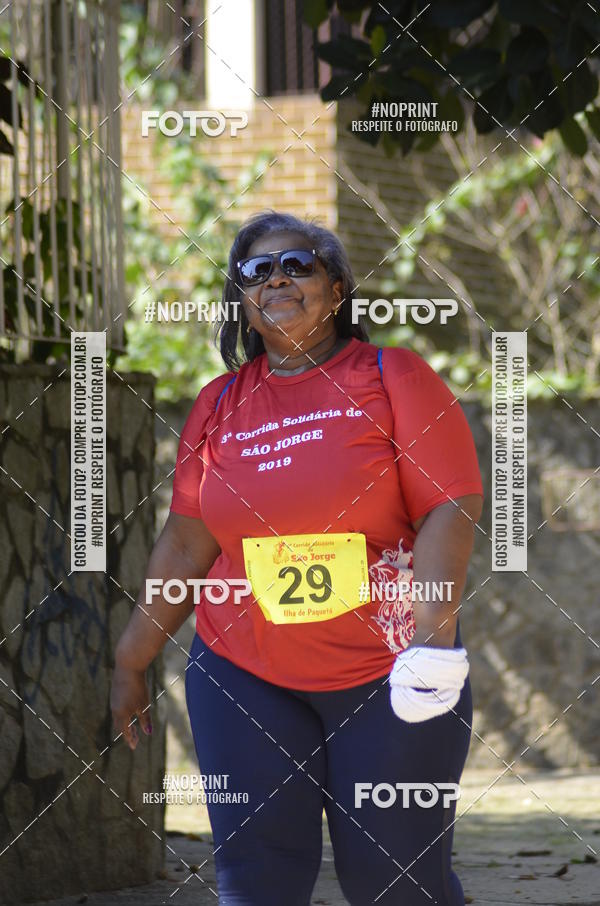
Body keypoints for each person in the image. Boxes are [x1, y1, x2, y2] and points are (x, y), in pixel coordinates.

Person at [111, 211, 484, 906]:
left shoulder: (391, 375)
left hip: (388, 670)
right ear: (242, 304)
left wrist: (433, 645)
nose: (275, 278)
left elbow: (449, 507)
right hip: (242, 672)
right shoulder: (218, 404)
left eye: (297, 265)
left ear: (337, 289)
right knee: (256, 878)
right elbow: (188, 542)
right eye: (255, 271)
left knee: (394, 880)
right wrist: (132, 660)